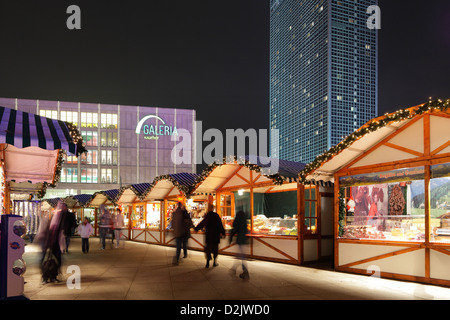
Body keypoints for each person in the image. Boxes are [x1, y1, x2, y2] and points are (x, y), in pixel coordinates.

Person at [194, 204, 225, 268]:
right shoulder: (216, 216)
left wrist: (196, 228)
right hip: (215, 236)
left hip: (209, 236)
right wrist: (223, 232)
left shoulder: (207, 216)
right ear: (213, 209)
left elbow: (202, 223)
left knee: (208, 249)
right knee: (215, 249)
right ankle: (214, 262)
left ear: (208, 209)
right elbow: (220, 225)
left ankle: (207, 263)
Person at [229, 210, 250, 279]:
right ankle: (234, 268)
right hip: (244, 239)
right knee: (240, 255)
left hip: (240, 239)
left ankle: (245, 271)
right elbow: (246, 230)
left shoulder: (237, 220)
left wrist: (230, 237)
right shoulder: (244, 221)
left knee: (241, 256)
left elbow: (234, 229)